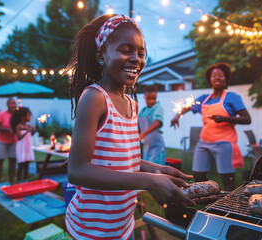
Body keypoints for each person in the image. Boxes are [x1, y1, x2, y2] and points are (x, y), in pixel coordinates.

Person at [63, 14, 195, 240]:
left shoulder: (132, 104)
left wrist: (154, 169)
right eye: (126, 50)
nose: (136, 59)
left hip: (122, 227)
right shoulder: (94, 98)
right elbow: (77, 170)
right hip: (90, 229)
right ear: (101, 55)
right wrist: (147, 181)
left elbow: (121, 157)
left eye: (141, 54)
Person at [171, 62, 251, 191]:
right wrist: (176, 116)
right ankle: (207, 199)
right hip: (204, 142)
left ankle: (227, 202)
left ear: (226, 79)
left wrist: (224, 118)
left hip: (224, 143)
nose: (217, 77)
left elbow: (247, 119)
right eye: (214, 75)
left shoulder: (232, 97)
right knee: (198, 175)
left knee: (227, 179)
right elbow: (189, 106)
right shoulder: (204, 99)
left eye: (220, 75)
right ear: (210, 80)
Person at [138, 85, 165, 165]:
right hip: (147, 144)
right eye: (148, 98)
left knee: (156, 169)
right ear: (144, 96)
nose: (151, 101)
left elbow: (157, 122)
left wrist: (143, 134)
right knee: (147, 166)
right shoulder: (143, 111)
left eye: (154, 98)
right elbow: (138, 128)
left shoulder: (158, 107)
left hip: (157, 144)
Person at [0, 98, 17, 185]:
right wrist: (8, 129)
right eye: (11, 103)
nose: (13, 105)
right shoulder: (1, 114)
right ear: (7, 105)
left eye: (14, 103)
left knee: (13, 161)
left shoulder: (16, 115)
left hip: (13, 140)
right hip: (1, 140)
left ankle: (11, 182)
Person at [10, 107, 35, 183]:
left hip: (27, 147)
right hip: (21, 148)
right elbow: (19, 138)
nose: (29, 117)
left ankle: (26, 179)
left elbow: (30, 135)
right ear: (22, 117)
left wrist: (33, 130)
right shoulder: (19, 126)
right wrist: (27, 131)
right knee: (21, 165)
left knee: (27, 164)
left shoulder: (28, 126)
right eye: (27, 116)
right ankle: (19, 180)